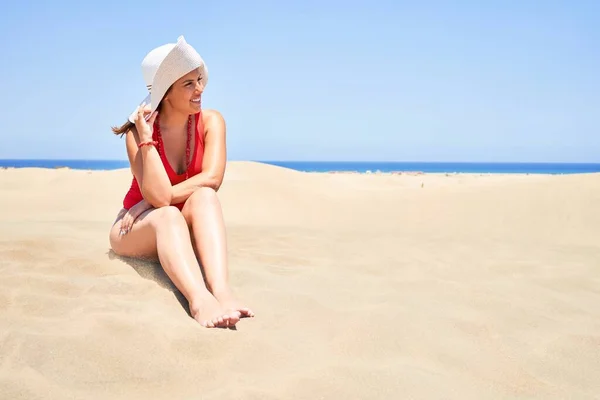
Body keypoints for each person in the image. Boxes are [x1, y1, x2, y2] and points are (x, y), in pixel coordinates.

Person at [108, 36, 254, 329]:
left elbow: (212, 178)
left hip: (158, 211)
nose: (200, 89)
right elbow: (161, 201)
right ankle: (199, 300)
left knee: (204, 197)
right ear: (165, 93)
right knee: (168, 215)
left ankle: (222, 292)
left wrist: (147, 202)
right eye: (189, 84)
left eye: (199, 79)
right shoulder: (137, 135)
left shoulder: (211, 121)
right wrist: (148, 141)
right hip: (135, 229)